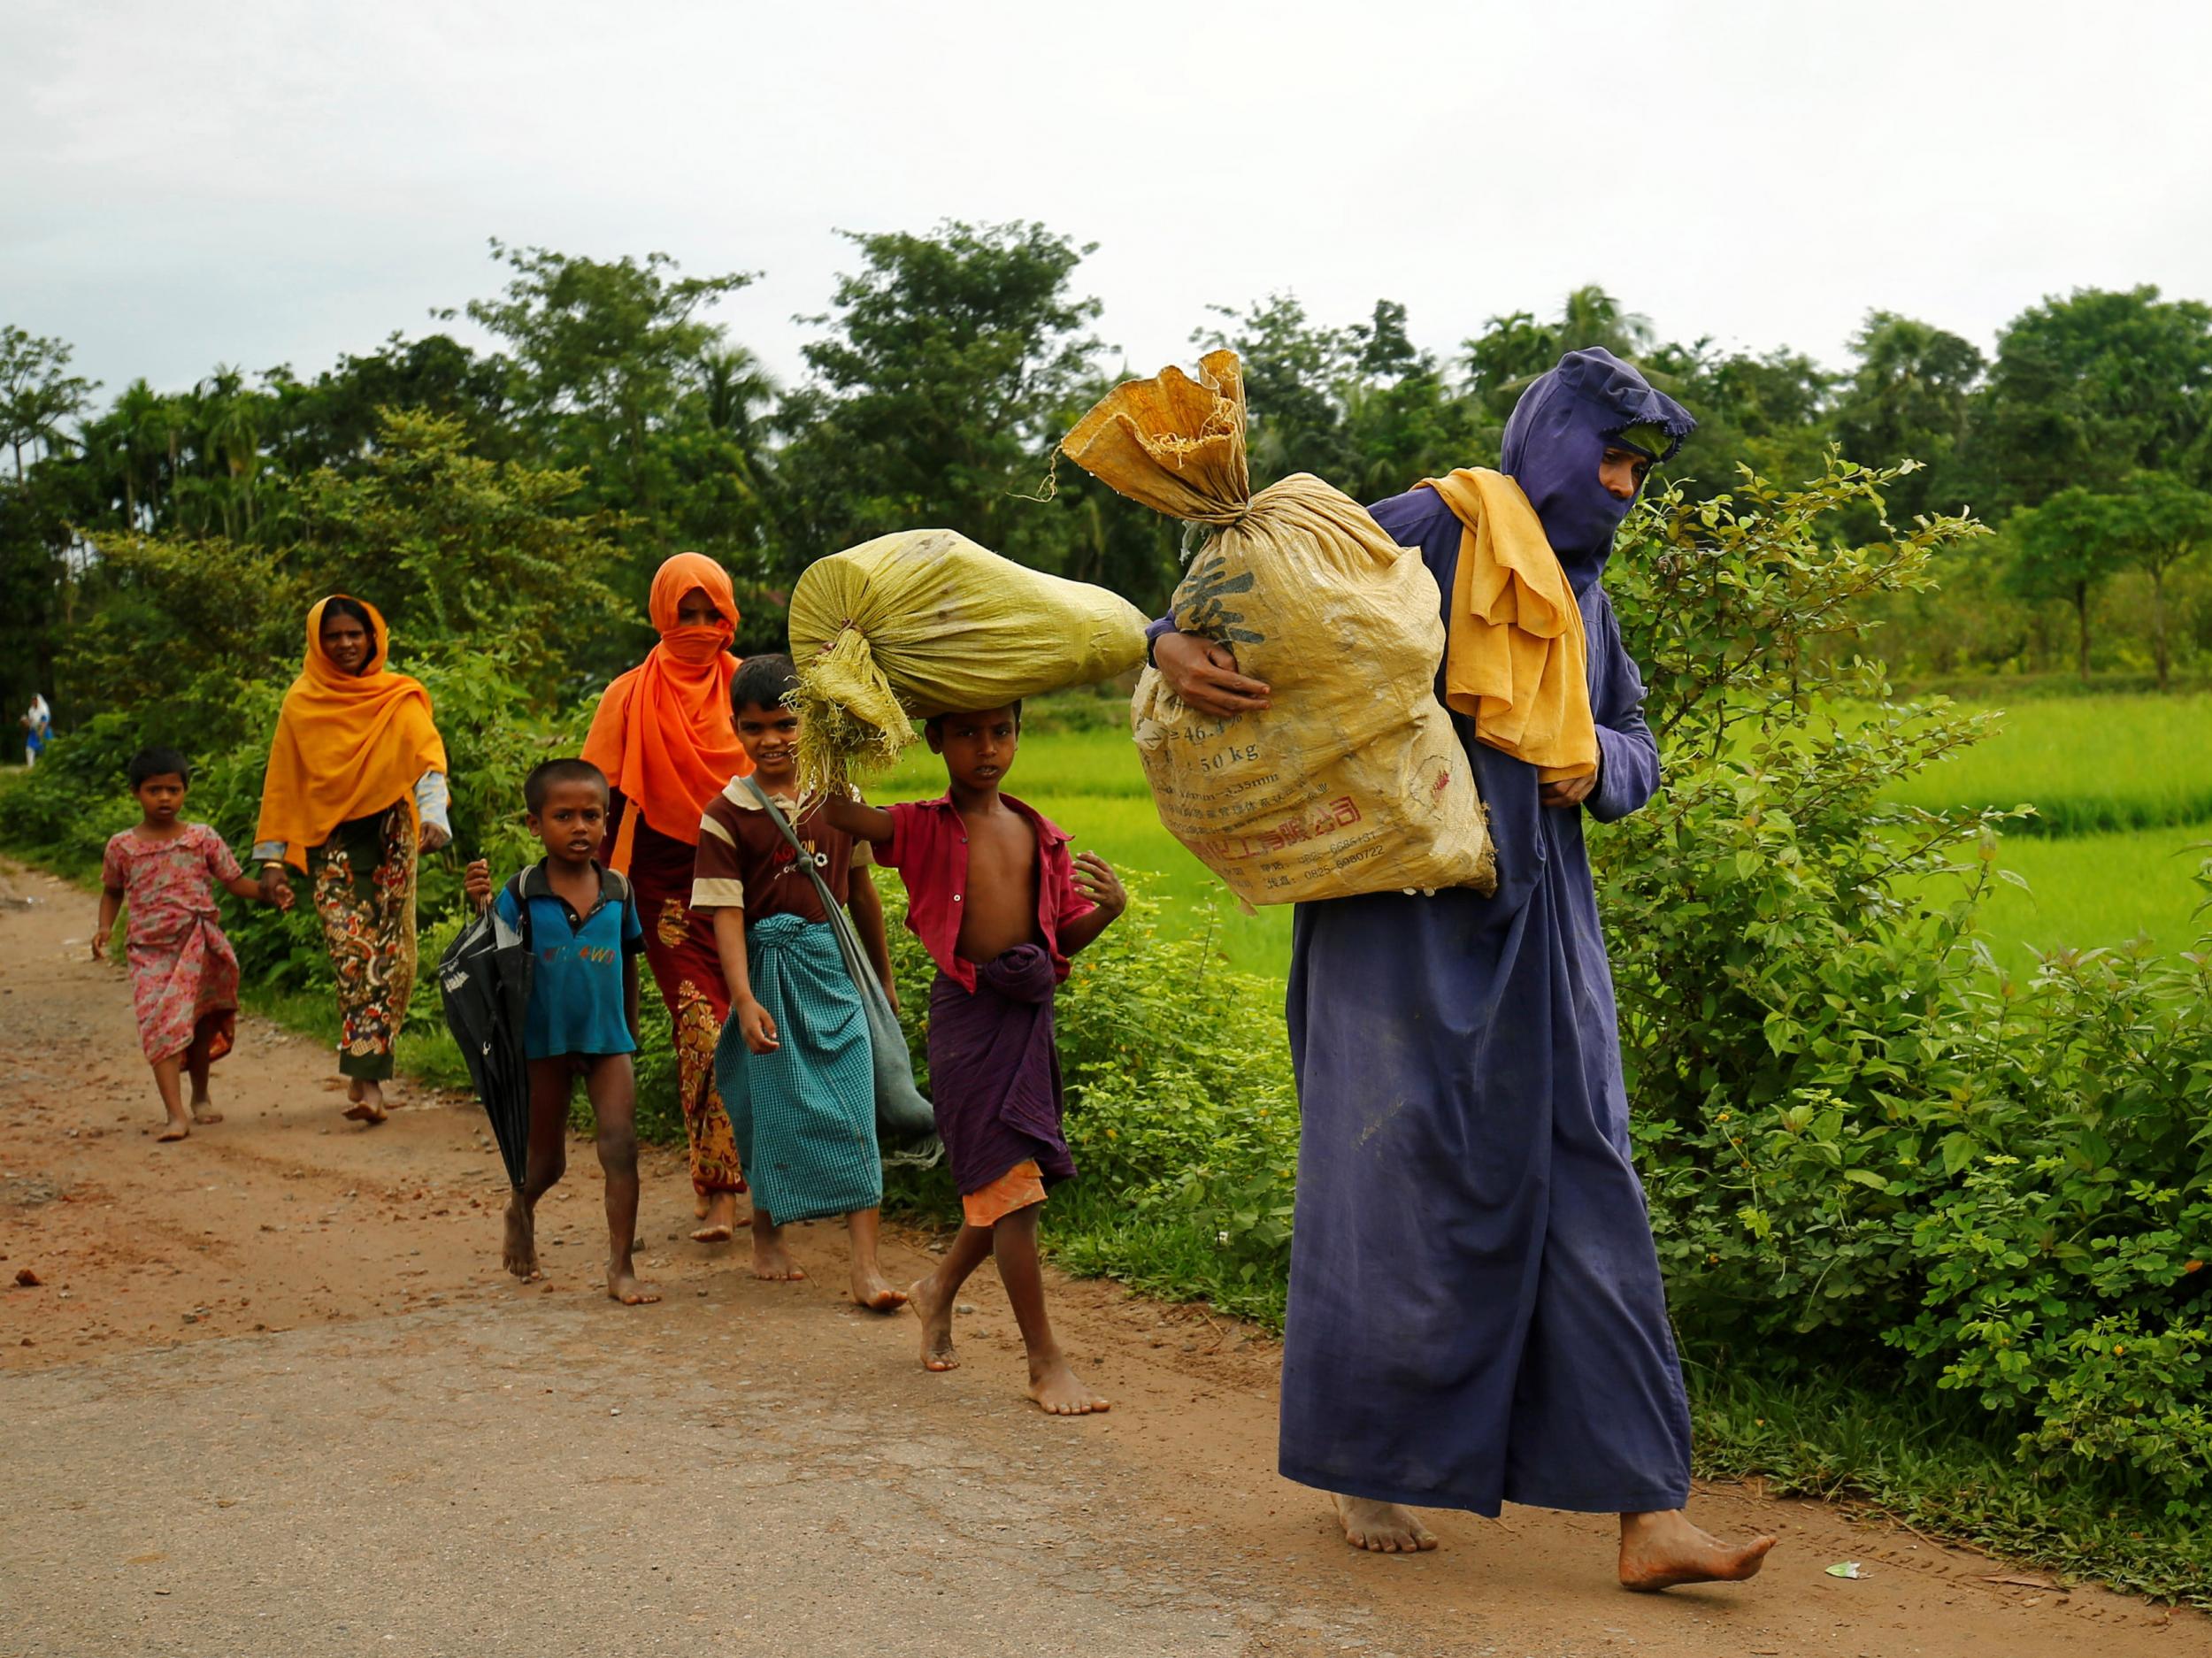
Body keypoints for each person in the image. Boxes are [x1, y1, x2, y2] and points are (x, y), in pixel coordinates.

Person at [1152, 349, 1775, 1588]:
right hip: (1395, 923)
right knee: (1389, 1183)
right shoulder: (1435, 523)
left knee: (1591, 1182)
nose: (1626, 488)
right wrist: (1168, 640)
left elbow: (1639, 741)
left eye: (1641, 470)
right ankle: (1366, 1460)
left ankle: (1649, 1513)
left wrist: (1601, 758)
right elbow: (1253, 581)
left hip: (1545, 934)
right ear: (1550, 442)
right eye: (1613, 458)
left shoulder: (1583, 592)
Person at [823, 703, 1127, 1415]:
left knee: (1005, 1182)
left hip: (1027, 1021)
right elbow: (840, 815)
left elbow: (1056, 945)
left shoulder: (1036, 833)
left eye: (1001, 732)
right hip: (967, 1020)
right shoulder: (923, 826)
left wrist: (1107, 912)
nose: (986, 749)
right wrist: (831, 732)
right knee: (1013, 1190)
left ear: (1019, 735)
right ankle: (1044, 1361)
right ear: (934, 740)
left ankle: (938, 1289)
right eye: (966, 733)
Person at [690, 654, 905, 1307]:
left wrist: (884, 984)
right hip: (771, 971)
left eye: (785, 724)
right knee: (777, 1108)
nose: (772, 740)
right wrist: (745, 998)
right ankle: (767, 1231)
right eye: (754, 728)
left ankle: (865, 1268)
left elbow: (862, 893)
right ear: (736, 730)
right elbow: (728, 917)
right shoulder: (725, 814)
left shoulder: (839, 802)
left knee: (856, 1112)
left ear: (808, 722)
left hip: (837, 970)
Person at [582, 553, 754, 1244]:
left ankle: (776, 1179)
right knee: (701, 1026)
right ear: (661, 614)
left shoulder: (749, 688)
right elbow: (596, 802)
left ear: (728, 615)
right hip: (665, 889)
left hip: (747, 883)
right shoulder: (630, 695)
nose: (699, 627)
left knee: (759, 1026)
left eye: (710, 613)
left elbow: (787, 775)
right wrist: (589, 891)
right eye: (685, 614)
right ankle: (718, 1189)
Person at [463, 759, 659, 1307]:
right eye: (563, 816)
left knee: (621, 1147)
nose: (579, 827)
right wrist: (477, 901)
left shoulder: (618, 891)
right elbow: (487, 950)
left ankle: (621, 1266)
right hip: (541, 1043)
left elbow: (628, 963)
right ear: (534, 825)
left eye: (591, 815)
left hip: (606, 1040)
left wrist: (630, 1031)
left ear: (606, 821)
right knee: (546, 1162)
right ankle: (521, 1207)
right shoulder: (522, 892)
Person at [254, 595, 451, 1125]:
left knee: (393, 956)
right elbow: (284, 781)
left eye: (354, 635)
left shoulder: (397, 696)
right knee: (350, 953)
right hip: (331, 840)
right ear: (318, 642)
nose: (345, 644)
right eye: (334, 636)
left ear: (373, 637)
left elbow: (427, 762)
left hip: (391, 831)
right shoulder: (301, 702)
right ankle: (367, 1079)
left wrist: (435, 818)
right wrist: (272, 860)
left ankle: (369, 1080)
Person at [96, 746, 281, 1142]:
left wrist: (269, 893)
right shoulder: (121, 847)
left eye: (173, 790)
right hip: (148, 951)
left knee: (198, 1022)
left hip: (196, 945)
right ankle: (175, 1114)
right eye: (154, 790)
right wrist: (104, 928)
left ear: (185, 792)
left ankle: (200, 1095)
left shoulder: (202, 839)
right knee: (159, 1027)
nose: (164, 798)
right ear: (135, 792)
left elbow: (233, 882)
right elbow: (112, 891)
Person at [21, 693, 51, 766]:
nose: (34, 701)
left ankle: (47, 767)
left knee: (45, 750)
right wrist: (25, 721)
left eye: (35, 700)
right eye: (33, 700)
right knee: (29, 749)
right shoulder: (31, 710)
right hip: (33, 732)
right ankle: (30, 767)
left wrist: (41, 732)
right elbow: (31, 723)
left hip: (44, 732)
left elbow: (45, 722)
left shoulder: (43, 709)